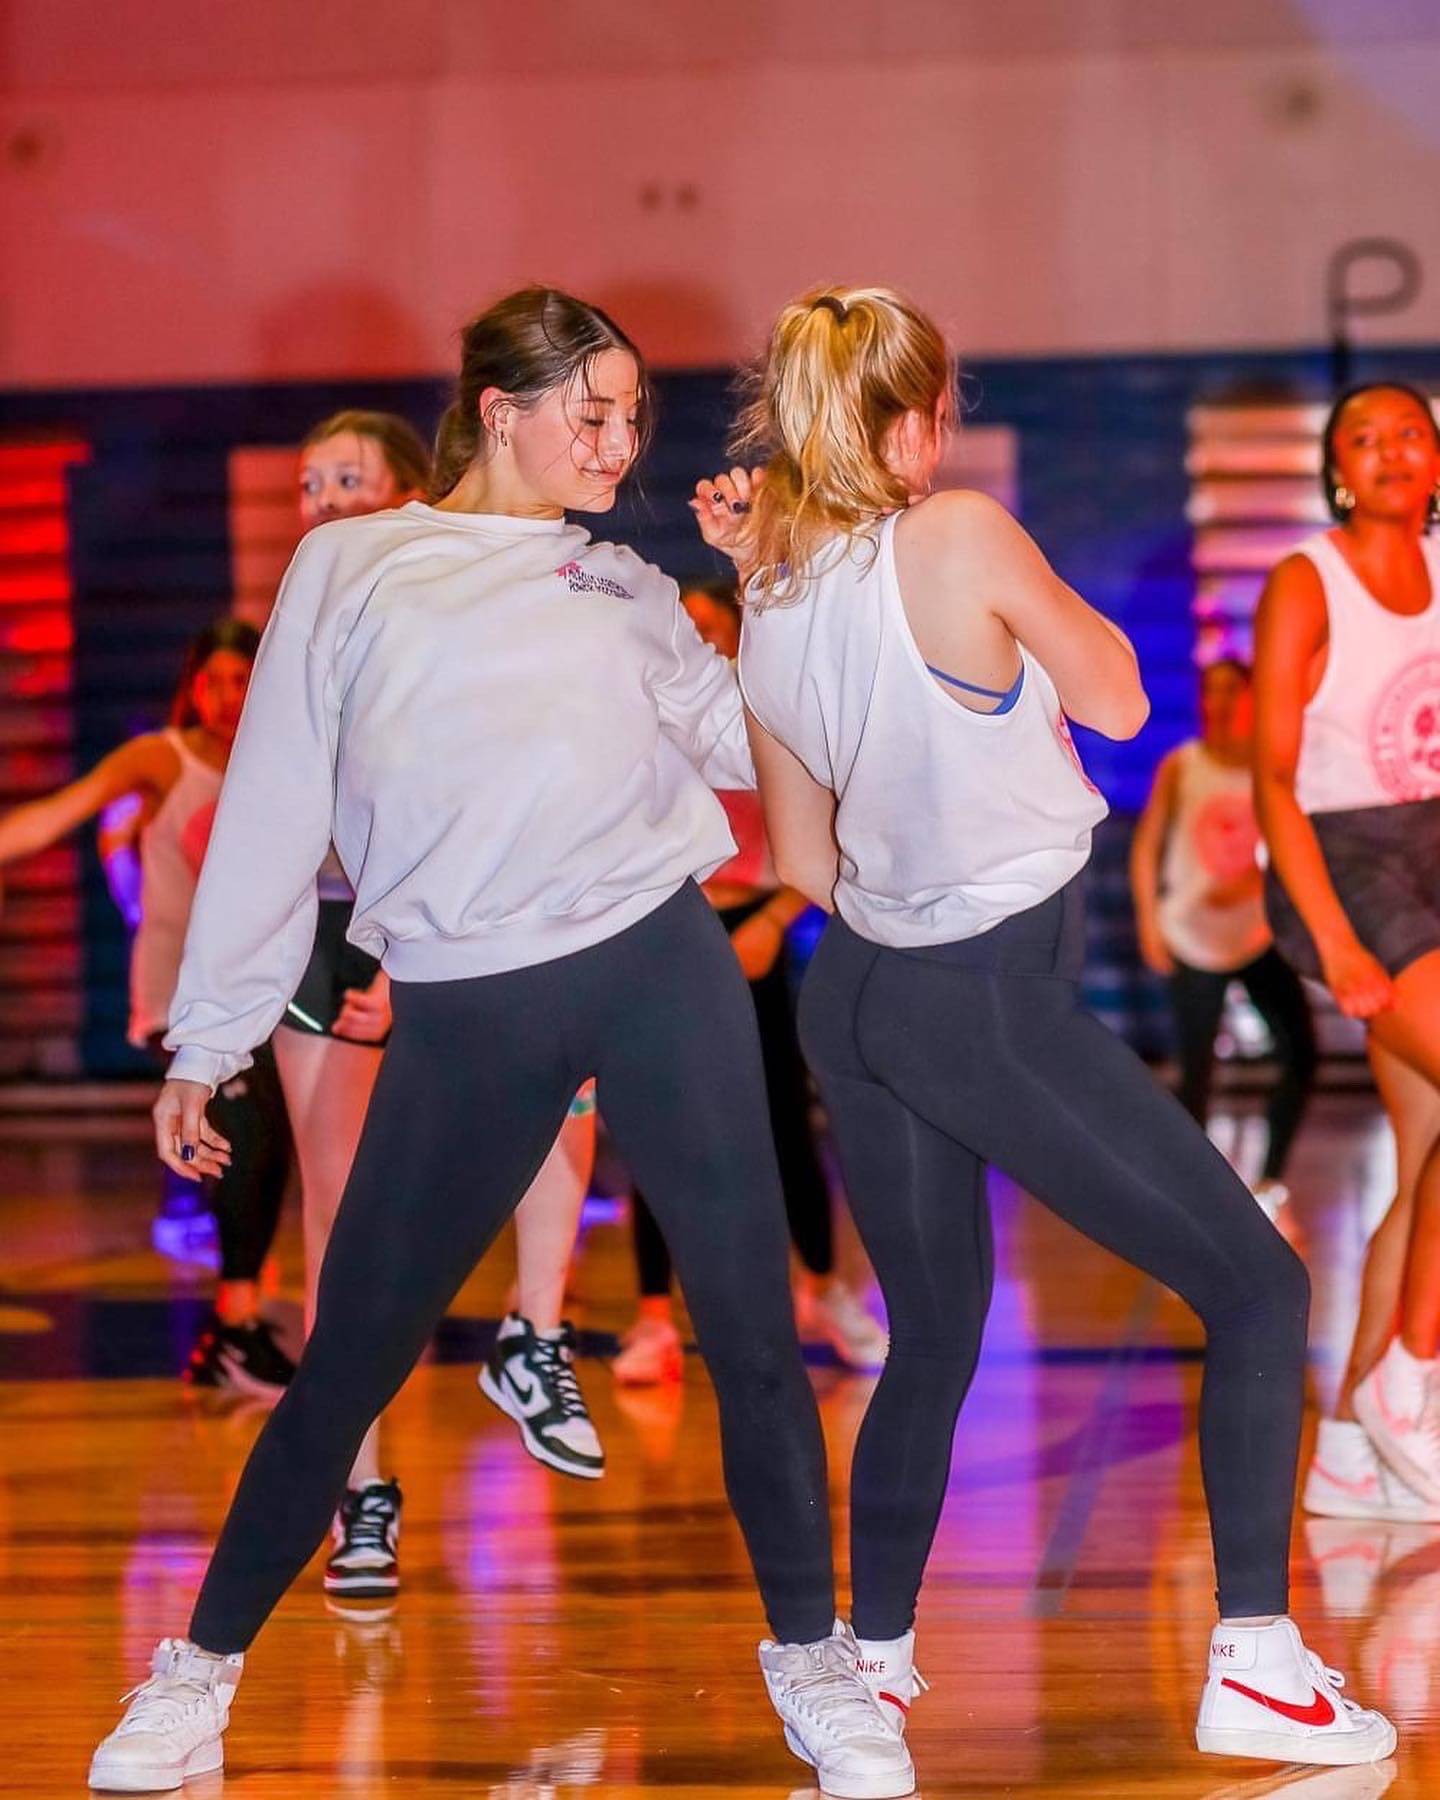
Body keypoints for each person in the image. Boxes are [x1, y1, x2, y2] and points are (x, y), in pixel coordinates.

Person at [88, 288, 910, 1800]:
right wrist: (209, 1037)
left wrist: (776, 594)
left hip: (659, 964)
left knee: (751, 1333)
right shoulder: (354, 566)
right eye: (589, 414)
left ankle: (817, 1663)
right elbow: (271, 805)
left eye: (631, 419)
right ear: (498, 410)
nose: (617, 446)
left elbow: (755, 745)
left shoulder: (624, 581)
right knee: (349, 1359)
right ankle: (195, 1675)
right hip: (466, 999)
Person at [697, 283, 1395, 1775]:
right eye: (942, 412)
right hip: (986, 997)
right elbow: (1125, 700)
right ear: (910, 424)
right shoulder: (956, 533)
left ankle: (872, 1666)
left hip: (859, 995)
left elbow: (804, 863)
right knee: (1261, 1290)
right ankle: (1258, 1665)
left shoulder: (771, 598)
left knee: (936, 1336)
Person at [0, 620, 296, 1396]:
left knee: (268, 1147)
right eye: (214, 681)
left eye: (242, 680)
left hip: (258, 990)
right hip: (180, 993)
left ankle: (235, 1326)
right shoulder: (160, 759)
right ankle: (234, 1327)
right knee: (245, 1136)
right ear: (193, 687)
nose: (228, 696)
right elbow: (61, 813)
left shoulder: (279, 759)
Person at [615, 577, 887, 1384]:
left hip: (761, 932)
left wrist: (772, 924)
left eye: (708, 623)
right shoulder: (648, 715)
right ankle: (653, 1317)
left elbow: (829, 835)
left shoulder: (775, 709)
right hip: (674, 928)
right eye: (685, 624)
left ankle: (824, 1288)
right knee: (659, 1121)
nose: (695, 635)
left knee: (784, 1121)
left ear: (739, 631)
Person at [1253, 381, 1440, 1526]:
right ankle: (1411, 1376)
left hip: (1432, 844)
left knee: (1424, 1157)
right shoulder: (1305, 581)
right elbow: (1274, 781)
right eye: (1361, 439)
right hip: (1345, 862)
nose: (1388, 452)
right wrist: (1334, 940)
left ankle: (1349, 1459)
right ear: (1335, 472)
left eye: (1409, 433)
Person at [1129, 658, 1317, 1215]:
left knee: (1302, 1051)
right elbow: (1147, 846)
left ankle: (1269, 1179)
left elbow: (1299, 845)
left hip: (1255, 936)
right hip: (1192, 938)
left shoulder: (1270, 768)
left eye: (1232, 689)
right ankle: (1191, 1194)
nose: (1221, 701)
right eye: (1211, 690)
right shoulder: (1182, 766)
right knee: (1196, 1073)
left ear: (1252, 696)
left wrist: (1263, 883)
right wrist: (1149, 922)